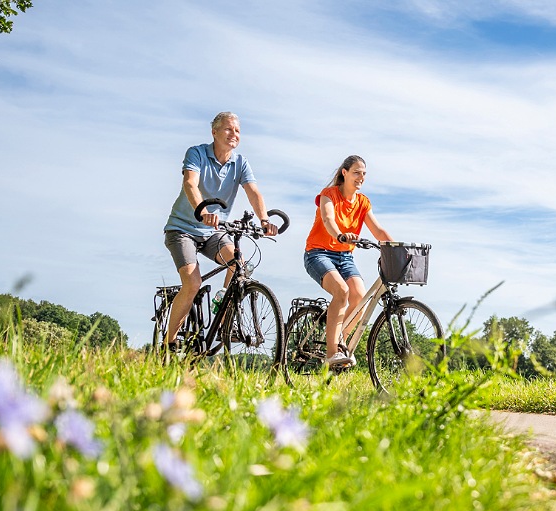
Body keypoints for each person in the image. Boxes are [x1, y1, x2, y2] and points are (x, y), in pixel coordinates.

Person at [161, 112, 277, 350]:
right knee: (192, 284)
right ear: (214, 132)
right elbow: (190, 183)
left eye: (237, 131)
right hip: (182, 229)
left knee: (238, 264)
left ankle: (225, 318)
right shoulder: (197, 153)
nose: (234, 134)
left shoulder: (240, 163)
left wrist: (264, 219)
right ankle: (168, 342)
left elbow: (253, 192)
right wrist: (202, 210)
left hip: (214, 231)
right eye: (228, 129)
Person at [304, 155, 394, 369]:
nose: (361, 177)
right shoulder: (329, 194)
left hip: (345, 257)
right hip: (318, 253)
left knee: (360, 298)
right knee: (342, 291)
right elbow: (328, 219)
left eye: (363, 173)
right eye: (356, 172)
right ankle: (331, 353)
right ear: (344, 173)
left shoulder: (363, 202)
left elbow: (378, 230)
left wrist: (397, 248)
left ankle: (340, 341)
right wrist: (340, 235)